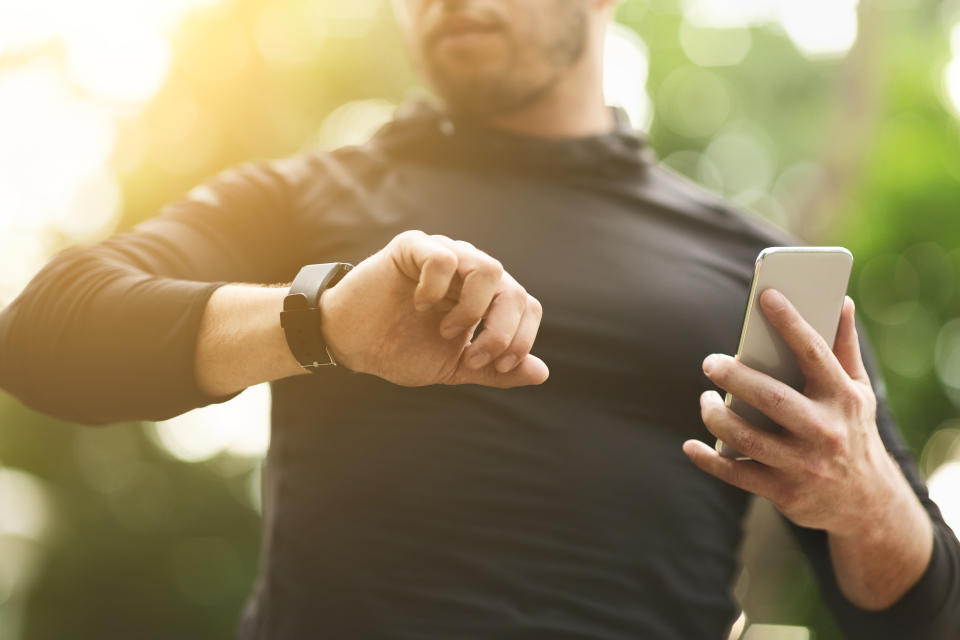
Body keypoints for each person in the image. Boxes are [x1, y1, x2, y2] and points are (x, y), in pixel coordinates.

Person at [1, 0, 958, 637]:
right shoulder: (305, 199)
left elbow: (924, 612)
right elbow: (45, 337)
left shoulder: (753, 267)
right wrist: (320, 324)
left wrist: (863, 498)